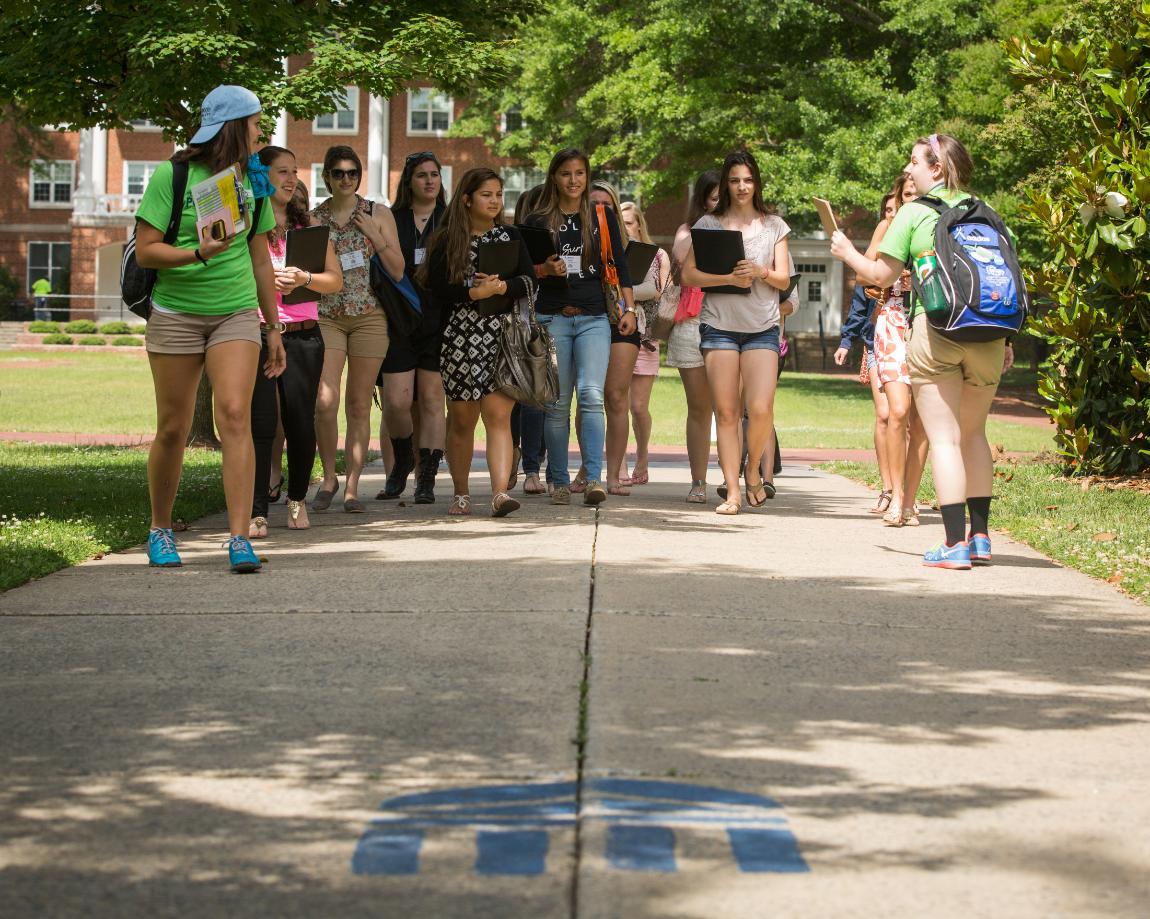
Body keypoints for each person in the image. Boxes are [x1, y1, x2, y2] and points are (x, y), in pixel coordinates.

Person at [831, 133, 1014, 569]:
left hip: (937, 333)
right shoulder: (988, 214)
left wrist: (847, 253)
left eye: (914, 162)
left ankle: (953, 546)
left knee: (945, 439)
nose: (909, 170)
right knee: (974, 435)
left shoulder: (914, 212)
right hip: (989, 335)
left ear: (937, 168)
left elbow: (880, 272)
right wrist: (1007, 341)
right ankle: (981, 538)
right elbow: (1002, 278)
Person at [134, 84, 282, 572]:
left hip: (234, 313)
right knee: (173, 428)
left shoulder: (252, 181)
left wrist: (274, 326)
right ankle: (160, 529)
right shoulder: (172, 176)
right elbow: (148, 248)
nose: (263, 132)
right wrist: (198, 253)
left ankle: (239, 537)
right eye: (257, 124)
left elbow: (261, 259)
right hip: (176, 312)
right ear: (233, 127)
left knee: (235, 415)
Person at [420, 167, 535, 517]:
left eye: (499, 194)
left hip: (502, 335)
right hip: (460, 336)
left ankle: (500, 493)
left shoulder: (511, 236)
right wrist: (474, 291)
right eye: (487, 194)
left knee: (499, 416)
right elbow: (435, 287)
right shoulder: (447, 239)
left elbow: (530, 280)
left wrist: (502, 287)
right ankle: (461, 492)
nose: (495, 201)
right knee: (462, 419)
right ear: (467, 199)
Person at [524, 149, 636, 507]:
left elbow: (621, 266)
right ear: (553, 177)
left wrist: (629, 308)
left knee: (591, 396)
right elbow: (525, 270)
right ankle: (557, 480)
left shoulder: (600, 216)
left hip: (593, 318)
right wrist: (545, 270)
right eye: (566, 174)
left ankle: (593, 478)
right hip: (552, 317)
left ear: (587, 177)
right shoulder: (539, 219)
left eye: (580, 174)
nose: (573, 180)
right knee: (556, 404)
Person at [681, 151, 790, 515]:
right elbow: (689, 276)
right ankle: (732, 491)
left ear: (755, 182)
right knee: (725, 413)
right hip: (719, 327)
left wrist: (760, 271)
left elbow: (784, 278)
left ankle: (753, 468)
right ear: (726, 184)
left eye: (747, 179)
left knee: (760, 409)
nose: (741, 186)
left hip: (762, 327)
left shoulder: (774, 225)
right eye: (734, 180)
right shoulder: (709, 224)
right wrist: (728, 278)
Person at [248, 147, 343, 537]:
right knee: (260, 425)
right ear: (261, 177)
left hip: (304, 339)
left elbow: (334, 281)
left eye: (294, 172)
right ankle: (256, 511)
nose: (290, 179)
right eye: (281, 172)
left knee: (300, 423)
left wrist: (303, 278)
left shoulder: (309, 232)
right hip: (254, 335)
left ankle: (298, 499)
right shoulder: (248, 228)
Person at [311, 145, 404, 513]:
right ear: (327, 177)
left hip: (370, 316)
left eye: (353, 173)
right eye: (339, 173)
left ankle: (351, 486)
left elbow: (397, 270)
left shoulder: (377, 214)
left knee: (359, 404)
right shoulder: (314, 219)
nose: (346, 179)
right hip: (327, 315)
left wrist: (374, 236)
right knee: (324, 400)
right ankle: (328, 476)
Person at [376, 151, 449, 503]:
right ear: (409, 181)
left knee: (434, 399)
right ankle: (404, 455)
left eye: (434, 174)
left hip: (440, 320)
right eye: (422, 175)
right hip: (399, 319)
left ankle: (427, 479)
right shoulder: (393, 219)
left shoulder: (451, 220)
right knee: (396, 401)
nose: (430, 180)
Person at [834, 193, 894, 515]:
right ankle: (887, 488)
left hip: (908, 338)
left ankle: (903, 488)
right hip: (875, 341)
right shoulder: (874, 258)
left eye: (895, 209)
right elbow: (860, 298)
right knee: (884, 415)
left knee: (905, 419)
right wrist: (847, 340)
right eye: (886, 210)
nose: (890, 215)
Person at [666, 170, 720, 503]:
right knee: (699, 409)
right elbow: (683, 265)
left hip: (731, 325)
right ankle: (698, 481)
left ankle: (735, 479)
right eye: (715, 198)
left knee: (730, 409)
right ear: (702, 200)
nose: (721, 205)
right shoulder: (688, 232)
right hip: (692, 325)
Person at [590, 180, 640, 496]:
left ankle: (613, 474)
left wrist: (630, 308)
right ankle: (588, 469)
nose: (599, 209)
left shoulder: (629, 246)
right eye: (592, 202)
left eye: (606, 204)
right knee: (590, 397)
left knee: (616, 396)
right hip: (589, 318)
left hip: (623, 321)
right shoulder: (576, 241)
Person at [619, 200, 669, 487]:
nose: (626, 228)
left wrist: (626, 291)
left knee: (638, 407)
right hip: (618, 335)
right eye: (621, 223)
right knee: (617, 404)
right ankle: (620, 463)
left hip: (646, 337)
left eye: (629, 222)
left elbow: (658, 291)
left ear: (638, 224)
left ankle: (642, 455)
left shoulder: (655, 254)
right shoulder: (611, 253)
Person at [512, 184, 550, 496]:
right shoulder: (514, 237)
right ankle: (528, 464)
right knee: (528, 402)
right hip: (522, 326)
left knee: (546, 400)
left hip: (551, 322)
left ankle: (535, 462)